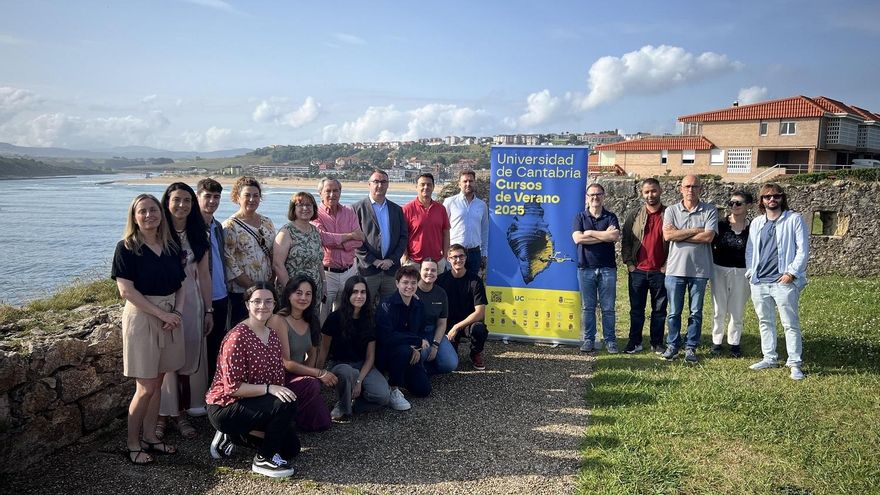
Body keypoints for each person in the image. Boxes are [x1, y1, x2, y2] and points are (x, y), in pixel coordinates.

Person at [111, 193, 185, 465]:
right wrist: (161, 314)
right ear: (134, 216)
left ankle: (152, 437)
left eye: (153, 210)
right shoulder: (127, 247)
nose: (149, 215)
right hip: (143, 318)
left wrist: (175, 313)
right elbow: (126, 291)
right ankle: (133, 443)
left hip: (170, 317)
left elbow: (181, 285)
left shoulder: (170, 245)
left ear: (161, 214)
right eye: (142, 211)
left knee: (158, 382)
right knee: (144, 386)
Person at [206, 282, 300, 478]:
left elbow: (277, 380)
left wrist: (271, 392)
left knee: (291, 448)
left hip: (254, 402)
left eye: (268, 301)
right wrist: (269, 389)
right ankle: (263, 459)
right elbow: (233, 388)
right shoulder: (237, 337)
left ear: (274, 305)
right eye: (256, 301)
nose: (262, 306)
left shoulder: (272, 336)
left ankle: (233, 436)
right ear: (247, 304)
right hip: (227, 406)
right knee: (286, 403)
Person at [156, 183, 212, 441]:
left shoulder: (198, 234)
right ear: (167, 202)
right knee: (165, 361)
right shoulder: (156, 233)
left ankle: (183, 412)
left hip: (193, 304)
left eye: (187, 200)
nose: (182, 205)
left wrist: (209, 309)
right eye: (176, 200)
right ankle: (164, 414)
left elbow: (204, 274)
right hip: (163, 305)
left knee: (187, 360)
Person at [745, 184, 809, 380]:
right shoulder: (757, 222)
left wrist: (791, 273)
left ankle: (795, 363)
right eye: (767, 197)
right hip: (759, 281)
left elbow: (803, 250)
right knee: (765, 321)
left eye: (776, 196)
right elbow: (750, 249)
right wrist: (750, 272)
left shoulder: (794, 219)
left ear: (782, 198)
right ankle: (769, 357)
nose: (771, 199)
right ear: (762, 201)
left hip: (783, 281)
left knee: (790, 323)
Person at [316, 276, 391, 422]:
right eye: (355, 292)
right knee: (345, 371)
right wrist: (317, 376)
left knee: (383, 396)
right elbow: (323, 350)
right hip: (339, 365)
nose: (359, 296)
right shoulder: (334, 318)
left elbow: (370, 357)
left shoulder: (370, 318)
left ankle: (350, 405)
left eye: (363, 292)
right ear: (347, 294)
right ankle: (343, 404)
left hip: (362, 365)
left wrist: (359, 381)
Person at [661, 175, 718, 363]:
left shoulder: (709, 210)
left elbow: (708, 237)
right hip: (675, 269)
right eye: (687, 186)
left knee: (696, 311)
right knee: (674, 311)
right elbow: (668, 235)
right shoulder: (671, 210)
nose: (690, 190)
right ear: (681, 188)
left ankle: (691, 347)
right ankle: (673, 345)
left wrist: (680, 233)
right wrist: (696, 230)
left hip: (699, 271)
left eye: (694, 186)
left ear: (700, 188)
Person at [267, 276, 334, 431]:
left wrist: (309, 376)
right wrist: (319, 373)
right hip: (277, 379)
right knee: (312, 384)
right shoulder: (279, 319)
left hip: (295, 375)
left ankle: (293, 412)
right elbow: (286, 362)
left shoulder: (309, 320)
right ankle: (282, 418)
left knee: (323, 422)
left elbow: (312, 354)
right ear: (289, 294)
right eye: (298, 293)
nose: (303, 297)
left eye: (308, 294)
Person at [571, 183, 621, 354]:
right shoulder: (580, 217)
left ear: (603, 196)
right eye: (592, 195)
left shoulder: (611, 216)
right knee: (588, 307)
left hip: (608, 268)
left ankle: (610, 341)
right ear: (587, 197)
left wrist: (590, 233)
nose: (595, 197)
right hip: (585, 268)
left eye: (598, 194)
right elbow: (578, 239)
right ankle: (588, 339)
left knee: (608, 307)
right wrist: (603, 236)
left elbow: (614, 236)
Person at [621, 178, 669, 354]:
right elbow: (625, 240)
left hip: (660, 272)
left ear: (660, 191)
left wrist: (667, 265)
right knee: (636, 311)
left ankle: (657, 343)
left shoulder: (669, 214)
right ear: (642, 193)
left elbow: (675, 243)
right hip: (638, 271)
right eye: (647, 192)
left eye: (654, 191)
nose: (650, 195)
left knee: (659, 310)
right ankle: (635, 342)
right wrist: (629, 264)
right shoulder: (635, 215)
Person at [375, 266, 431, 410]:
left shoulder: (418, 305)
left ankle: (401, 377)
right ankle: (393, 388)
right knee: (403, 351)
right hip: (387, 354)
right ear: (397, 283)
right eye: (405, 282)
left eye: (413, 283)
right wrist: (414, 342)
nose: (409, 287)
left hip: (410, 351)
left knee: (423, 390)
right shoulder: (386, 305)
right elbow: (386, 337)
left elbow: (422, 331)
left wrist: (417, 347)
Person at [223, 177, 275, 325]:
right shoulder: (230, 226)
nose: (252, 199)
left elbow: (273, 252)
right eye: (247, 195)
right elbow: (230, 262)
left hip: (267, 289)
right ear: (237, 197)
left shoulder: (267, 222)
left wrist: (270, 283)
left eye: (256, 195)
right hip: (242, 293)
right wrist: (253, 288)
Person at [352, 169, 408, 303]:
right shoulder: (356, 208)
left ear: (388, 184)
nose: (380, 185)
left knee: (389, 310)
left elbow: (403, 237)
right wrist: (373, 261)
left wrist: (392, 260)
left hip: (391, 270)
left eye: (383, 182)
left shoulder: (397, 209)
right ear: (369, 184)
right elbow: (354, 240)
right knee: (363, 308)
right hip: (367, 270)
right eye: (376, 181)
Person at [313, 177, 364, 323]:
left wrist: (338, 242)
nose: (332, 194)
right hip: (327, 274)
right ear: (320, 193)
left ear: (340, 192)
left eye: (335, 190)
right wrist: (349, 236)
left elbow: (360, 240)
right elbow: (322, 238)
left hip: (349, 271)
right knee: (321, 317)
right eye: (328, 191)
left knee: (344, 317)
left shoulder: (349, 212)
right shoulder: (315, 214)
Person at [710, 191, 754, 358]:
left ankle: (734, 342)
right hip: (719, 269)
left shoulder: (753, 227)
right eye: (731, 203)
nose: (734, 206)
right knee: (718, 308)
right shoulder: (720, 225)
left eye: (738, 203)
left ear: (748, 205)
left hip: (742, 272)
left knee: (736, 310)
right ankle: (716, 341)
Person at [436, 244, 489, 370]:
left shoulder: (475, 281)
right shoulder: (441, 280)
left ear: (466, 258)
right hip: (446, 325)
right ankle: (453, 345)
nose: (458, 260)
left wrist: (457, 327)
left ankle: (475, 353)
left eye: (461, 256)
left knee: (479, 329)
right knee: (451, 364)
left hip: (467, 325)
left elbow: (480, 313)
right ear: (448, 259)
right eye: (454, 257)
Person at [197, 178, 230, 380]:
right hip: (201, 296)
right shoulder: (192, 228)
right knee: (199, 348)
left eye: (216, 197)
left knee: (216, 345)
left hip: (221, 294)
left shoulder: (217, 226)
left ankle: (213, 391)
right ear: (198, 197)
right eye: (207, 196)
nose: (212, 201)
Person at [273, 191, 325, 300]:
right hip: (293, 293)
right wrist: (290, 291)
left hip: (313, 292)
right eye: (300, 205)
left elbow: (319, 261)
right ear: (293, 209)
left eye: (309, 205)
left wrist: (324, 283)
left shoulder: (315, 231)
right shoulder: (286, 232)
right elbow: (278, 265)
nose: (305, 208)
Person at [415, 258, 459, 374]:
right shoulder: (412, 291)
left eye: (433, 270)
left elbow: (442, 323)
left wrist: (435, 345)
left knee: (450, 364)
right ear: (420, 271)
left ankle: (428, 367)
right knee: (422, 353)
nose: (429, 273)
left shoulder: (441, 293)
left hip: (433, 331)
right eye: (426, 269)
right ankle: (420, 368)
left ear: (437, 273)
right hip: (415, 333)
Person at [444, 170, 488, 275]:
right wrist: (445, 253)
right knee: (452, 286)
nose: (468, 184)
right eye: (465, 181)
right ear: (459, 184)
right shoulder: (450, 202)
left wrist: (484, 254)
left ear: (474, 183)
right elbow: (443, 229)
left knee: (472, 286)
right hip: (454, 253)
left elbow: (485, 231)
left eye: (471, 181)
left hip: (474, 253)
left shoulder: (482, 205)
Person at [402, 173, 450, 270]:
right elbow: (402, 235)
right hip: (413, 262)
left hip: (436, 262)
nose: (426, 187)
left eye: (429, 184)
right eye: (422, 184)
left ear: (433, 187)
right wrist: (405, 256)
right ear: (416, 187)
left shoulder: (441, 209)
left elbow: (446, 233)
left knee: (437, 286)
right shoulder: (407, 209)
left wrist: (445, 256)